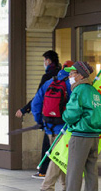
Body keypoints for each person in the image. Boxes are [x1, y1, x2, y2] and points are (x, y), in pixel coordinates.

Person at [15, 50, 61, 179]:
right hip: (62, 118)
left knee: (47, 144)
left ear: (48, 61)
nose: (44, 63)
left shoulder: (48, 77)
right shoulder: (63, 75)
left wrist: (25, 110)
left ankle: (44, 171)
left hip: (49, 117)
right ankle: (56, 171)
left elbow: (37, 99)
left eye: (44, 60)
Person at [62, 61, 101, 191]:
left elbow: (71, 114)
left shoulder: (78, 91)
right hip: (94, 136)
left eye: (72, 73)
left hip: (80, 136)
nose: (69, 76)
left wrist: (64, 117)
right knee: (91, 171)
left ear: (81, 75)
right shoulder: (95, 92)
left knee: (74, 172)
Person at [31, 61, 73, 191]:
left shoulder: (49, 82)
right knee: (58, 159)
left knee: (62, 158)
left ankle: (67, 187)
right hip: (64, 129)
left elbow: (35, 104)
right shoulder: (71, 85)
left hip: (49, 127)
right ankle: (46, 187)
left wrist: (40, 122)